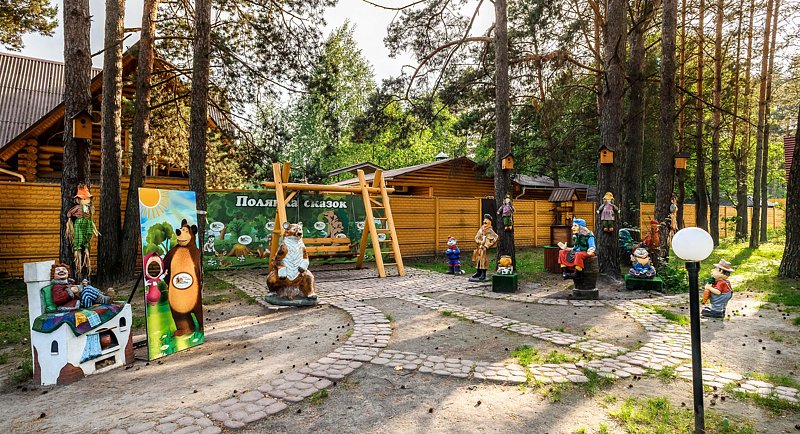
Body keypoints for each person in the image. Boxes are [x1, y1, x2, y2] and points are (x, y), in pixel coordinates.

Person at [470, 214, 498, 282]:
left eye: (486, 221)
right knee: (478, 259)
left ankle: (483, 273)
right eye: (484, 221)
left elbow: (496, 237)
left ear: (489, 222)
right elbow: (476, 237)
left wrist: (488, 244)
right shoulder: (481, 229)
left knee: (483, 260)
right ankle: (478, 272)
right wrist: (479, 241)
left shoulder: (490, 230)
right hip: (479, 247)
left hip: (484, 248)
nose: (484, 222)